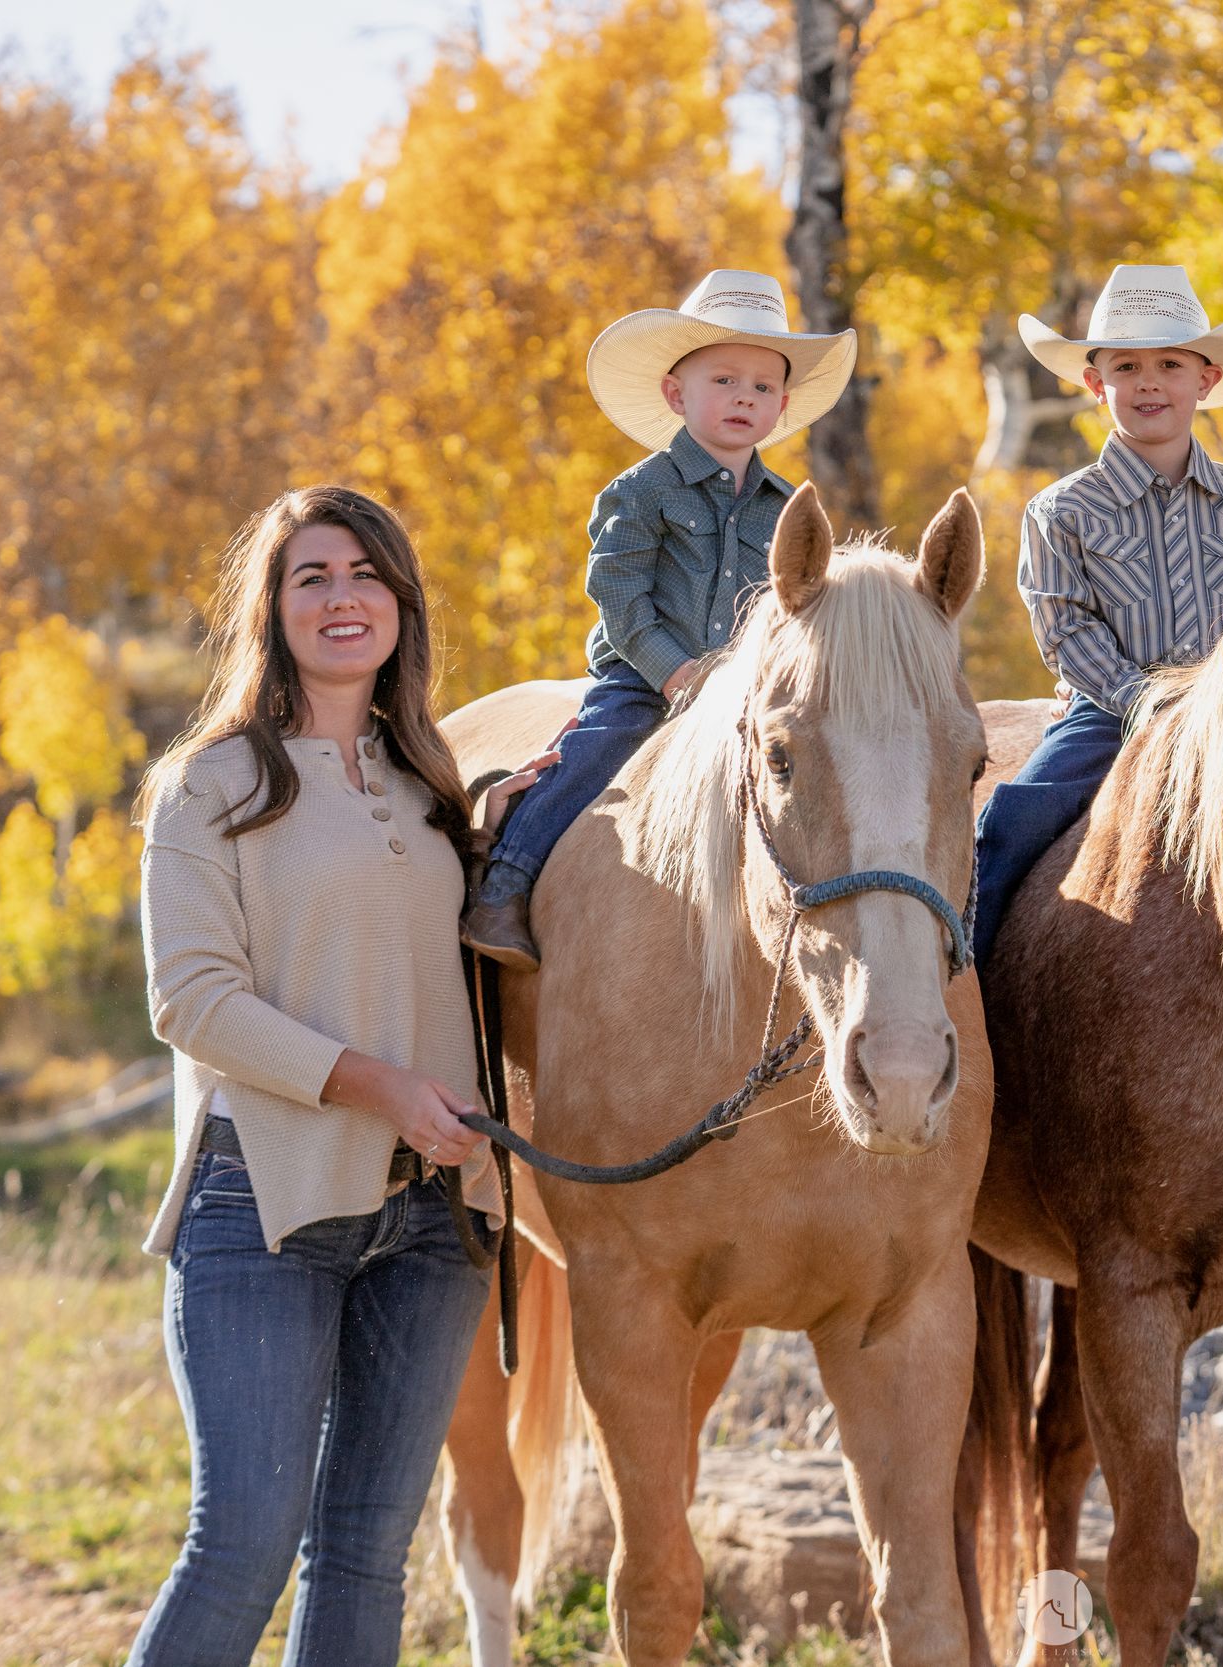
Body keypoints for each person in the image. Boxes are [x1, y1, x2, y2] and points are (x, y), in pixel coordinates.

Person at [129, 486, 542, 1666]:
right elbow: (191, 1001)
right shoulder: (209, 786)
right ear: (271, 607)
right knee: (243, 1543)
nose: (342, 595)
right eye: (311, 574)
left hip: (429, 1216)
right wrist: (383, 1086)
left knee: (365, 1551)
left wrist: (490, 830)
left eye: (366, 573)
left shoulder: (427, 782)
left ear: (402, 605)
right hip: (264, 1202)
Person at [460, 268, 857, 968]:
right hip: (647, 675)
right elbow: (618, 594)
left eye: (763, 386)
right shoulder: (641, 491)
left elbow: (801, 605)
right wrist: (675, 673)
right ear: (678, 393)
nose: (745, 396)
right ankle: (508, 879)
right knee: (599, 746)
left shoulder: (787, 506)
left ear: (782, 405)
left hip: (747, 687)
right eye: (725, 380)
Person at [968, 263, 1223, 964]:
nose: (1149, 381)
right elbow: (1065, 629)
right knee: (1016, 817)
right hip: (1110, 715)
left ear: (1206, 380)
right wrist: (1148, 702)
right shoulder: (1061, 510)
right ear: (1094, 384)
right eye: (1127, 366)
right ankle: (964, 976)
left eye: (1170, 363)